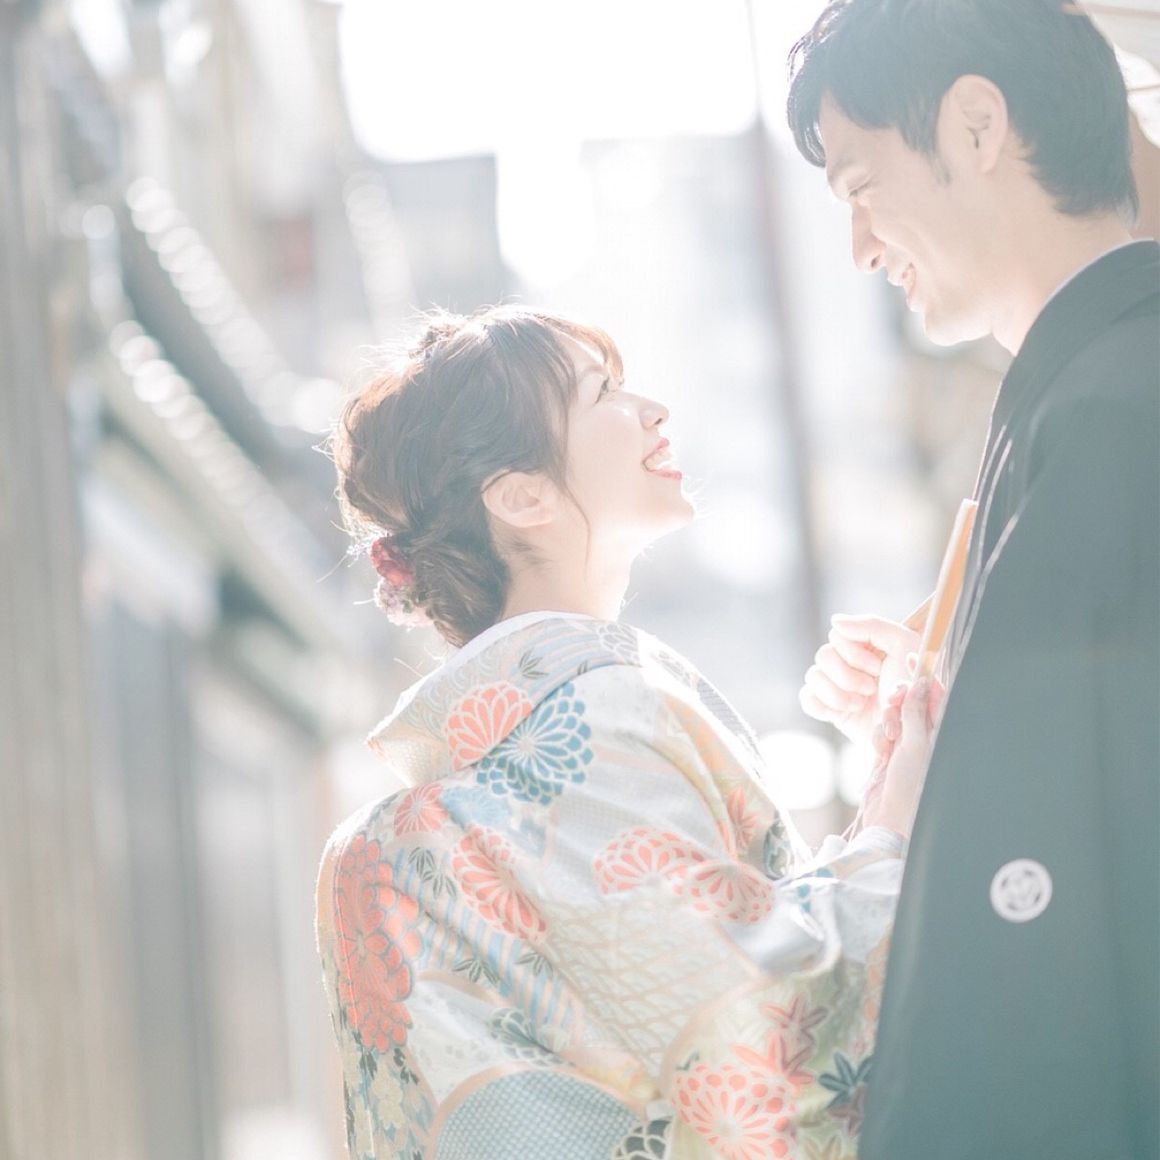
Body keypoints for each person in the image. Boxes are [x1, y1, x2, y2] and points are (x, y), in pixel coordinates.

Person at [315, 306, 932, 1160]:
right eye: (601, 392)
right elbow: (757, 1046)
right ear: (522, 496)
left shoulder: (435, 807)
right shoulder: (600, 715)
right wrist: (896, 828)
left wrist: (879, 792)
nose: (653, 410)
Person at [786, 2, 1160, 1157]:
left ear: (976, 125)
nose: (858, 248)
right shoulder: (1094, 388)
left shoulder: (1111, 409)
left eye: (860, 186)